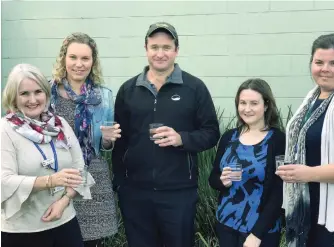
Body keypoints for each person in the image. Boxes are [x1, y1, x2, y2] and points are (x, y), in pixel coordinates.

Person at [112, 22, 220, 247]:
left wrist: (182, 139)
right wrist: (122, 185)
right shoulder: (128, 90)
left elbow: (211, 133)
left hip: (178, 193)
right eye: (154, 47)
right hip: (136, 194)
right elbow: (120, 141)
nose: (160, 53)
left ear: (176, 50)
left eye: (166, 47)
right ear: (146, 49)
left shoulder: (194, 88)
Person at [276, 33, 334, 247]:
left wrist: (309, 173)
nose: (325, 68)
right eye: (319, 62)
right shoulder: (313, 97)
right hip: (308, 209)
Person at [1, 64, 94, 247]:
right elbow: (4, 181)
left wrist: (65, 201)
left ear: (46, 93)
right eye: (24, 94)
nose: (33, 99)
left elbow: (80, 169)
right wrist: (51, 181)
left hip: (65, 222)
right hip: (22, 231)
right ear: (13, 97)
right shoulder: (5, 130)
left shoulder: (59, 125)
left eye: (38, 92)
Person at [49, 32, 120, 247]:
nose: (79, 64)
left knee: (91, 241)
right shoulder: (47, 92)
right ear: (64, 59)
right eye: (73, 57)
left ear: (93, 62)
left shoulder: (103, 96)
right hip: (56, 176)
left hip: (92, 177)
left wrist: (108, 140)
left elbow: (104, 146)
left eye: (85, 58)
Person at [209, 78, 286, 247]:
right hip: (226, 223)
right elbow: (213, 178)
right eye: (242, 103)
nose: (247, 109)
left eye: (254, 103)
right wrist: (222, 181)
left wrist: (257, 234)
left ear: (266, 105)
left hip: (261, 230)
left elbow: (279, 191)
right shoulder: (229, 137)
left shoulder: (278, 140)